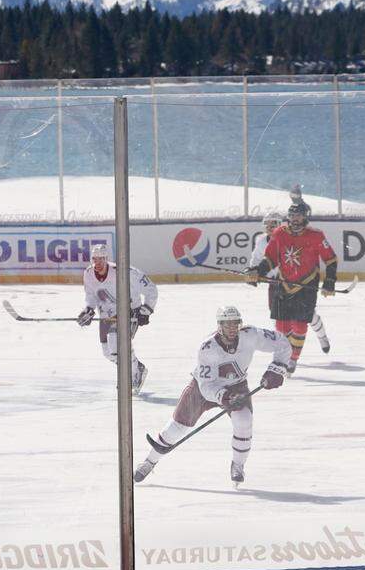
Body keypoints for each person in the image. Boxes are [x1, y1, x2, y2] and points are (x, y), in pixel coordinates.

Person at [134, 305, 293, 486]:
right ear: (220, 326)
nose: (232, 328)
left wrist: (277, 368)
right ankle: (149, 461)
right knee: (176, 428)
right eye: (227, 324)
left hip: (237, 385)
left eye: (235, 324)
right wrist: (225, 397)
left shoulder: (251, 335)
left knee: (244, 421)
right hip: (202, 388)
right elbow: (207, 386)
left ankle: (238, 465)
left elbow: (282, 343)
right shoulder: (208, 348)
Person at [245, 199, 338, 372]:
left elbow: (331, 259)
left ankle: (293, 358)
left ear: (305, 217)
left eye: (299, 215)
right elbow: (270, 258)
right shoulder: (279, 233)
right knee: (281, 326)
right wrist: (258, 271)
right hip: (284, 284)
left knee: (300, 324)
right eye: (292, 215)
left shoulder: (316, 235)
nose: (295, 219)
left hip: (306, 285)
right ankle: (287, 353)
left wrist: (330, 281)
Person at [77, 244, 157, 394]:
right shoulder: (88, 273)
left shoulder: (125, 272)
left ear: (107, 259)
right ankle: (136, 368)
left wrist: (146, 310)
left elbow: (151, 289)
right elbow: (91, 296)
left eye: (101, 259)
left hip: (129, 312)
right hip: (107, 315)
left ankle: (128, 376)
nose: (97, 263)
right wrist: (88, 309)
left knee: (115, 341)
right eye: (95, 259)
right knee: (108, 352)